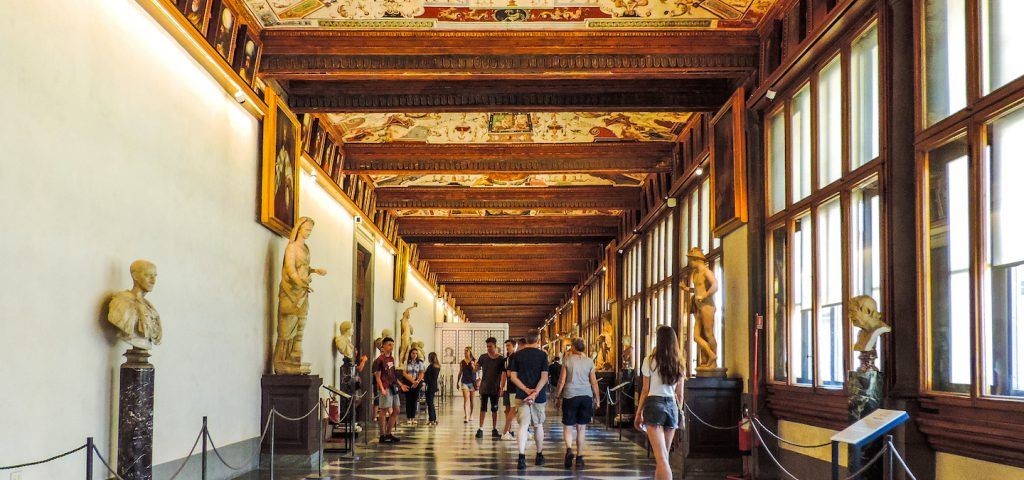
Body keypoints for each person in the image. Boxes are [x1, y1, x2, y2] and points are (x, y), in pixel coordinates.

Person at [634, 325, 685, 480]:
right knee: (663, 458)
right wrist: (678, 411)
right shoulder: (679, 362)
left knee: (661, 458)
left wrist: (638, 414)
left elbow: (645, 390)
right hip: (672, 407)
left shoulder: (649, 361)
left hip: (653, 405)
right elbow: (680, 395)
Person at [554, 338, 600, 469]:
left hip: (570, 395)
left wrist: (557, 396)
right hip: (586, 396)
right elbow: (594, 382)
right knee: (581, 428)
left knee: (568, 426)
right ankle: (579, 458)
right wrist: (597, 398)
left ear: (573, 347)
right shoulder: (589, 361)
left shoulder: (567, 360)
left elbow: (562, 381)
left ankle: (569, 449)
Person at [508, 329, 549, 470]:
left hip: (521, 395)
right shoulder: (543, 355)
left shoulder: (517, 355)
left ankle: (521, 458)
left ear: (526, 339)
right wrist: (535, 393)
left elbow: (513, 377)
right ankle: (539, 455)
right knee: (538, 425)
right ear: (538, 340)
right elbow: (544, 377)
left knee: (523, 426)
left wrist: (526, 390)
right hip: (539, 396)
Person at [373, 337, 408, 443]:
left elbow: (393, 375)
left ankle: (389, 432)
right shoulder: (379, 360)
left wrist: (401, 384)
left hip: (393, 386)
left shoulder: (391, 359)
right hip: (385, 387)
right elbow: (377, 376)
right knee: (383, 410)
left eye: (392, 345)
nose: (391, 347)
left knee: (396, 409)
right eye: (389, 344)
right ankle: (382, 434)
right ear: (383, 346)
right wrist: (382, 389)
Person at [476, 337, 505, 439]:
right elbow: (477, 368)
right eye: (487, 346)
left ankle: (494, 428)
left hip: (495, 388)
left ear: (495, 346)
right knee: (483, 408)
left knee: (494, 409)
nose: (488, 348)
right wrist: (475, 367)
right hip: (484, 387)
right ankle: (481, 428)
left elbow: (503, 374)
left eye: (490, 346)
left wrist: (501, 387)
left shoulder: (501, 359)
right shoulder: (483, 357)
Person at [500, 338, 519, 440]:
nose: (507, 348)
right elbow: (505, 374)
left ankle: (507, 431)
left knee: (513, 409)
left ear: (514, 346)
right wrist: (502, 387)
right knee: (508, 409)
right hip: (509, 387)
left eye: (509, 346)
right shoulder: (506, 359)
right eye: (506, 346)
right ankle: (508, 430)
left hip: (515, 387)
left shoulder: (516, 357)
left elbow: (510, 373)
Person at [401, 348, 426, 424]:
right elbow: (404, 373)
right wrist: (412, 381)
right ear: (410, 354)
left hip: (417, 383)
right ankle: (409, 417)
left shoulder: (420, 363)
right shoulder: (406, 362)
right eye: (413, 353)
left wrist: (417, 381)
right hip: (408, 382)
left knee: (415, 400)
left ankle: (413, 417)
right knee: (408, 400)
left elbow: (421, 373)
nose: (414, 355)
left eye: (416, 353)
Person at [459, 347, 478, 423]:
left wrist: (473, 366)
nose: (465, 352)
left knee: (471, 400)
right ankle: (466, 416)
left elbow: (476, 371)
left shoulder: (474, 360)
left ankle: (471, 414)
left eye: (466, 351)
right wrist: (457, 382)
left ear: (470, 352)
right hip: (464, 382)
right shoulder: (462, 362)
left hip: (472, 382)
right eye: (464, 351)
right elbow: (460, 372)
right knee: (466, 399)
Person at [424, 352, 441, 426]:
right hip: (434, 385)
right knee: (431, 403)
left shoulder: (431, 366)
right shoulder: (437, 366)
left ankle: (431, 420)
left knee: (429, 403)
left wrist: (425, 381)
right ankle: (433, 419)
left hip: (430, 386)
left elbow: (427, 376)